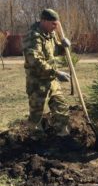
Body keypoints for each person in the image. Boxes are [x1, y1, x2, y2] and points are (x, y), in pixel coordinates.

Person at [22, 8, 72, 138]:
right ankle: (36, 141)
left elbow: (55, 50)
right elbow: (35, 60)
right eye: (53, 24)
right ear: (44, 21)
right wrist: (56, 72)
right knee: (36, 115)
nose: (55, 27)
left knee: (61, 106)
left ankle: (63, 135)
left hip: (51, 79)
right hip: (37, 81)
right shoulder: (33, 36)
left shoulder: (51, 34)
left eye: (57, 24)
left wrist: (64, 46)